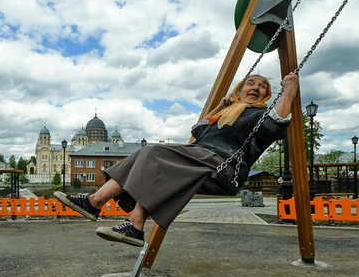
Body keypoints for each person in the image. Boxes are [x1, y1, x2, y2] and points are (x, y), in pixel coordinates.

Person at [55, 72, 299, 246]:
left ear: (267, 94)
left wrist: (289, 90)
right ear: (240, 90)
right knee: (145, 156)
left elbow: (276, 126)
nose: (256, 87)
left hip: (220, 164)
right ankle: (130, 224)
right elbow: (198, 130)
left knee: (151, 153)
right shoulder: (226, 114)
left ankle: (96, 202)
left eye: (262, 86)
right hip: (198, 156)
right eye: (250, 83)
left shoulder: (260, 115)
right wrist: (220, 106)